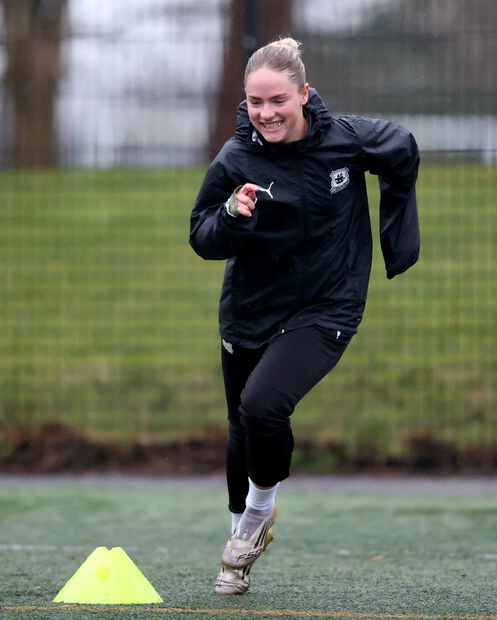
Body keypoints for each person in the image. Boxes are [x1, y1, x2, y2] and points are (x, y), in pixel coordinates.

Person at [189, 37, 420, 595]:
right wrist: (232, 215)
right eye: (254, 102)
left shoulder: (346, 140)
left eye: (278, 101)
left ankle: (256, 517)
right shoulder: (235, 159)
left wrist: (397, 233)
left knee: (262, 405)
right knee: (242, 429)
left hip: (327, 304)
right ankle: (242, 527)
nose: (265, 113)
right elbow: (202, 237)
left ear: (304, 95)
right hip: (250, 309)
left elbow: (403, 149)